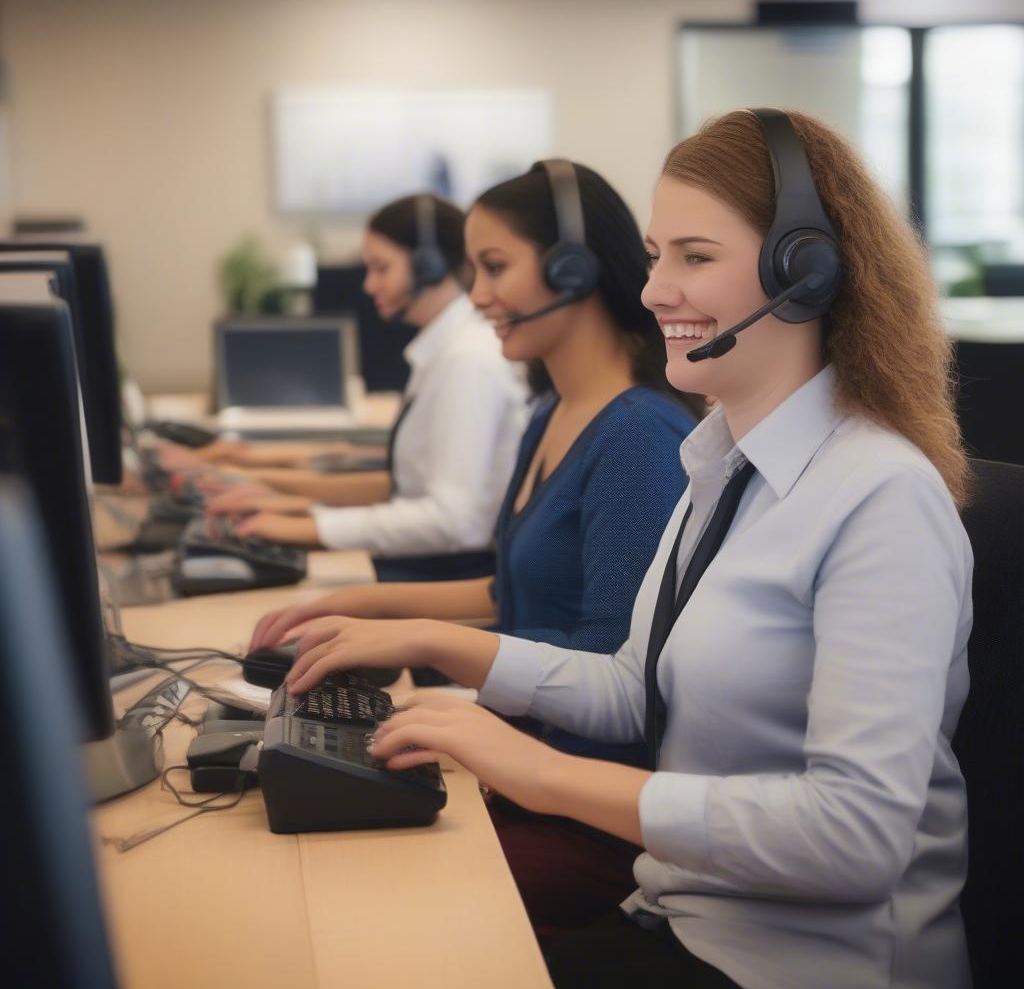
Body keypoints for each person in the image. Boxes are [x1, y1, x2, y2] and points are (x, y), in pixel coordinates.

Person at [277, 109, 974, 988]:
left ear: (804, 271)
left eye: (694, 256)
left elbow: (855, 835)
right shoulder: (722, 462)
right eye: (654, 256)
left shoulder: (880, 497)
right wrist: (454, 691)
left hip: (797, 963)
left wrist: (538, 773)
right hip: (683, 913)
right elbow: (631, 682)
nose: (652, 291)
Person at [248, 161, 703, 934]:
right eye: (473, 270)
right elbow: (506, 594)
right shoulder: (552, 410)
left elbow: (613, 670)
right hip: (518, 754)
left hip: (586, 804)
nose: (478, 296)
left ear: (573, 269)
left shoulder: (638, 439)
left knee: (355, 898)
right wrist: (359, 607)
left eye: (495, 268)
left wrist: (442, 674)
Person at [180, 195, 529, 578]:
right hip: (429, 563)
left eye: (381, 268)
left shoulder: (467, 361)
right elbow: (403, 488)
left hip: (450, 572)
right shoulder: (444, 351)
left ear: (428, 267)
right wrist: (297, 508)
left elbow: (452, 521)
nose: (368, 284)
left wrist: (307, 527)